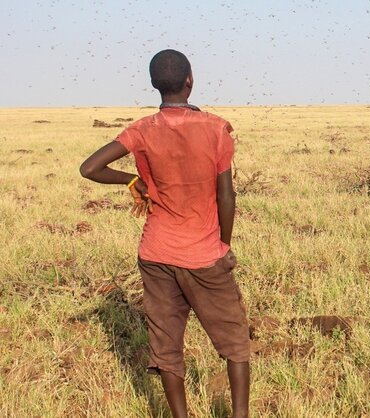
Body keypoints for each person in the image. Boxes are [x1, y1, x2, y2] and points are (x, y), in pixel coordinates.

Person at [79, 49, 250, 418]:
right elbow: (226, 194)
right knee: (235, 344)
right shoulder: (216, 127)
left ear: (155, 85)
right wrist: (224, 245)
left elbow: (90, 167)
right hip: (204, 254)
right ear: (190, 80)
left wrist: (132, 181)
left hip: (156, 254)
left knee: (166, 346)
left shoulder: (141, 130)